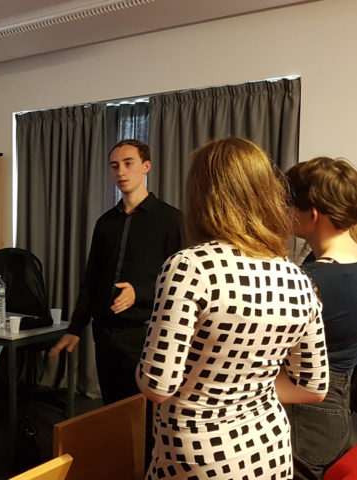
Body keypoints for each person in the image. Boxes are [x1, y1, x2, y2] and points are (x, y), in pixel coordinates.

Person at [135, 137, 329, 479]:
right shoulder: (296, 277)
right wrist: (250, 386)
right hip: (268, 446)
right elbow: (314, 387)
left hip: (199, 452)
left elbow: (157, 384)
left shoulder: (190, 267)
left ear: (201, 197)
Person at [50, 139, 184, 405]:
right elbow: (91, 279)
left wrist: (140, 292)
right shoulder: (105, 223)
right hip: (105, 334)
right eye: (114, 166)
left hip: (145, 334)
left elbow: (180, 282)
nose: (120, 172)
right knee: (112, 408)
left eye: (128, 164)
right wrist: (75, 328)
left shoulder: (171, 220)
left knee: (143, 412)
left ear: (146, 166)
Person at [285, 156, 357, 479]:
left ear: (312, 215)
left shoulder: (307, 280)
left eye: (290, 207)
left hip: (305, 422)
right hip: (343, 417)